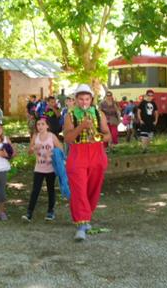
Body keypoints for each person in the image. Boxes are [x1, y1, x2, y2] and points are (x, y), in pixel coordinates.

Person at [63, 84, 111, 241]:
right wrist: (81, 127)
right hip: (78, 155)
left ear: (91, 99)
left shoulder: (99, 114)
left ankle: (86, 217)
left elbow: (108, 135)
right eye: (81, 99)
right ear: (76, 100)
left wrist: (99, 137)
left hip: (97, 153)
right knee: (79, 190)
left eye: (87, 99)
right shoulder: (70, 116)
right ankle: (81, 224)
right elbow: (68, 138)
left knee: (93, 189)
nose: (84, 102)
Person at [22, 117, 63, 222]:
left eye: (42, 124)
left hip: (50, 168)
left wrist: (52, 153)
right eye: (38, 124)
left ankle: (50, 212)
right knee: (35, 190)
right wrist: (34, 148)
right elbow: (29, 152)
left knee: (50, 190)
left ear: (47, 126)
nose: (40, 126)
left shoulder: (52, 136)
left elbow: (61, 149)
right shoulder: (35, 136)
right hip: (39, 168)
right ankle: (29, 213)